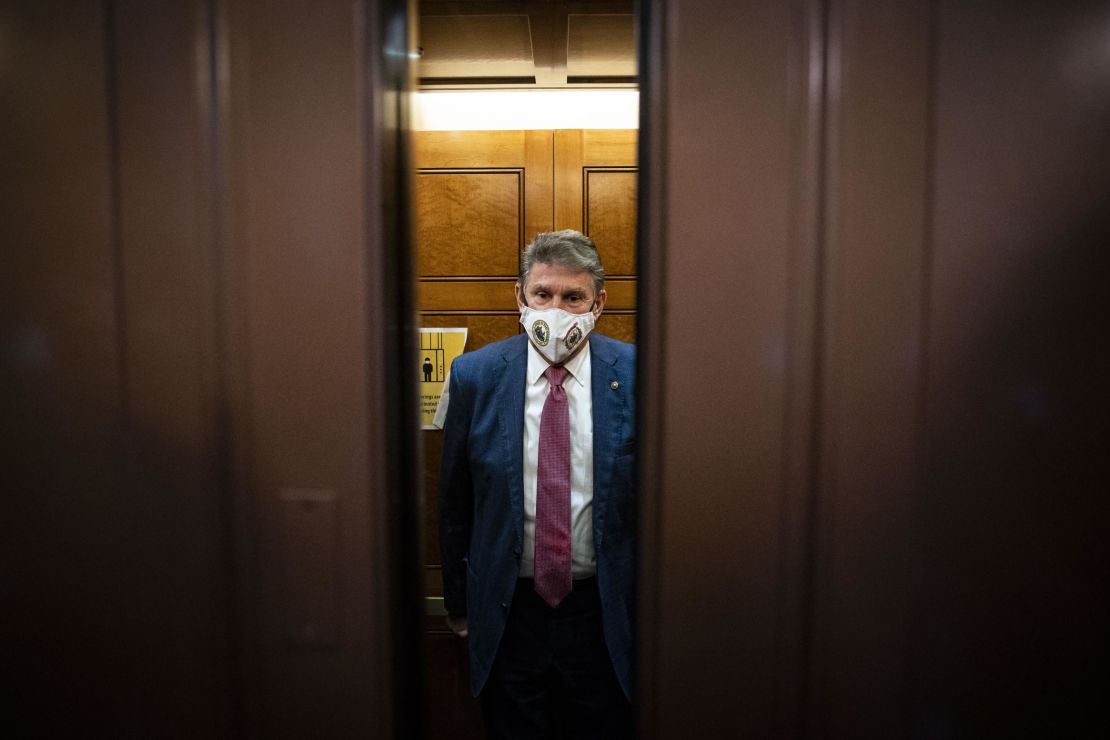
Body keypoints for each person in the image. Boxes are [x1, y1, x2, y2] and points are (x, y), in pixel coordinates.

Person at [439, 230, 636, 739]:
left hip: (602, 612)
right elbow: (455, 502)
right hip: (509, 613)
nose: (557, 310)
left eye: (573, 297)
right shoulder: (474, 376)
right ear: (520, 297)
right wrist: (458, 604)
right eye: (543, 294)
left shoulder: (639, 374)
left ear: (599, 303)